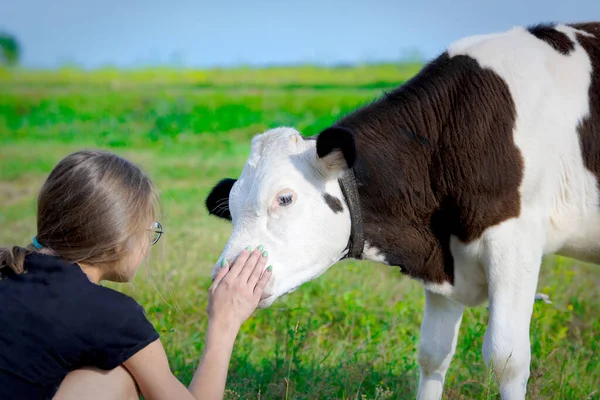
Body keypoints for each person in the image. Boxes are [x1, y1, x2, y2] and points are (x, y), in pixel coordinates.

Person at [0, 149, 272, 400]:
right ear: (120, 240)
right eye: (150, 229)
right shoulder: (110, 314)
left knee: (107, 375)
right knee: (117, 379)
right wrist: (225, 323)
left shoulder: (7, 270)